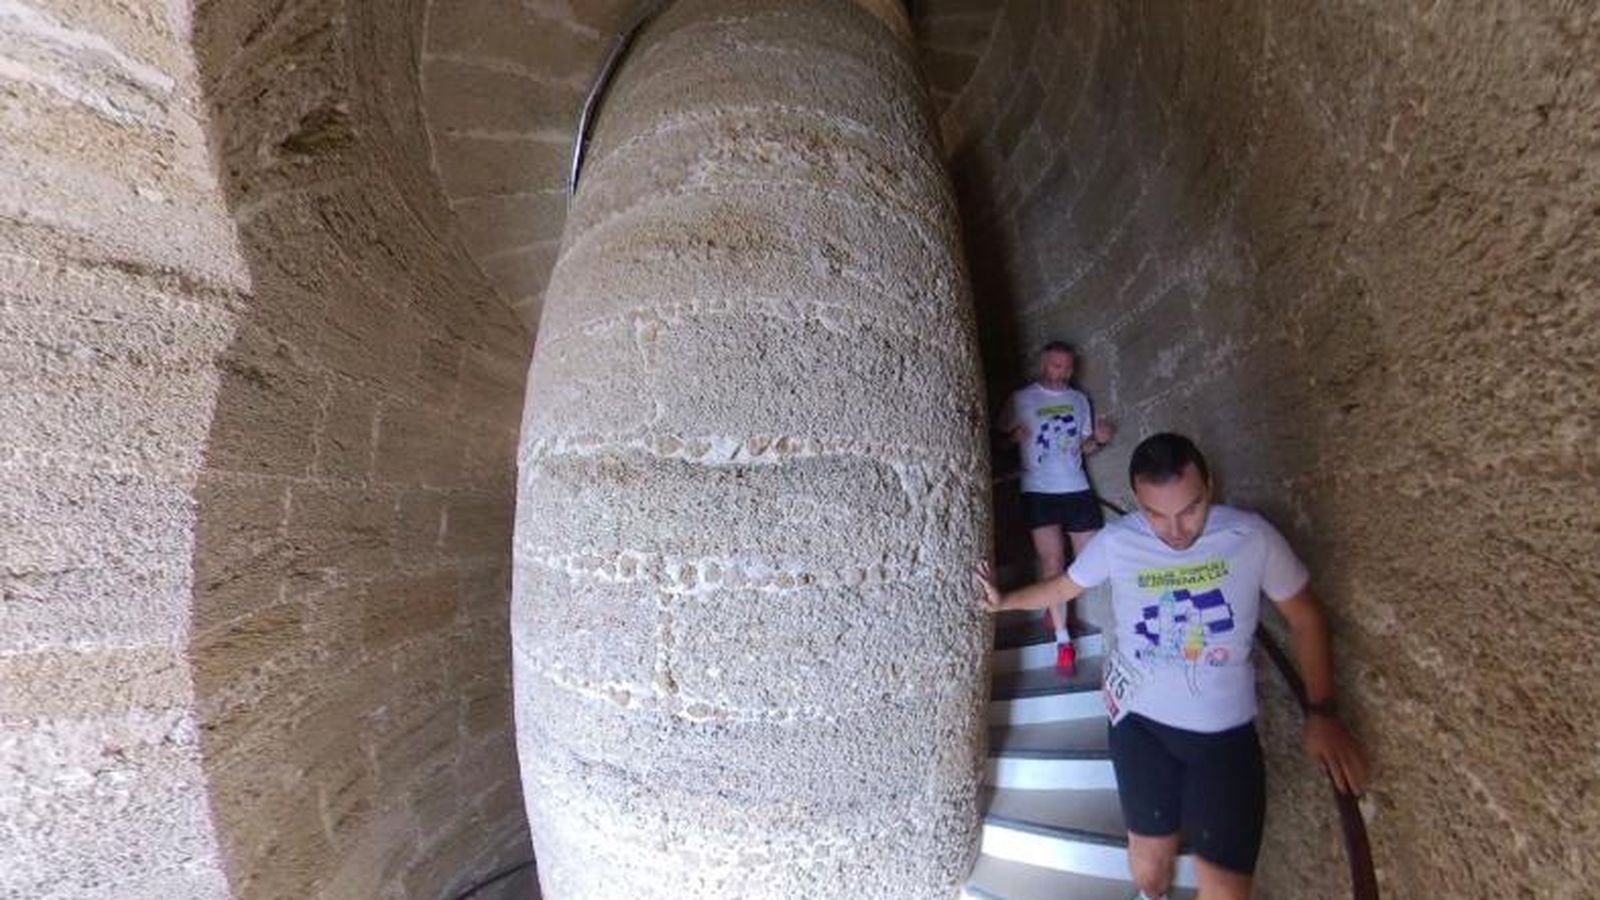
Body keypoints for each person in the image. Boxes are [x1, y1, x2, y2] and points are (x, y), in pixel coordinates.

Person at [974, 433, 1369, 900]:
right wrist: (1003, 602)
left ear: (1210, 485)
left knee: (1226, 891)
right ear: (1136, 501)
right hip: (1139, 728)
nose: (1176, 530)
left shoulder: (1251, 537)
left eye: (1190, 509)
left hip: (1222, 738)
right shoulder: (1118, 541)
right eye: (1156, 515)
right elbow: (1063, 587)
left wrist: (1322, 711)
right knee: (1149, 869)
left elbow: (1305, 616)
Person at [997, 341, 1114, 675]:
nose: (1062, 372)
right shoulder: (1021, 399)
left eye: (1067, 367)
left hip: (1077, 487)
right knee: (1053, 563)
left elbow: (1084, 446)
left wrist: (1100, 439)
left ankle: (1054, 602)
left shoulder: (1078, 400)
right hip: (1039, 490)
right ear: (1043, 364)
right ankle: (1063, 642)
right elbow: (997, 440)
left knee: (1092, 560)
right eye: (1055, 365)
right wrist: (1011, 440)